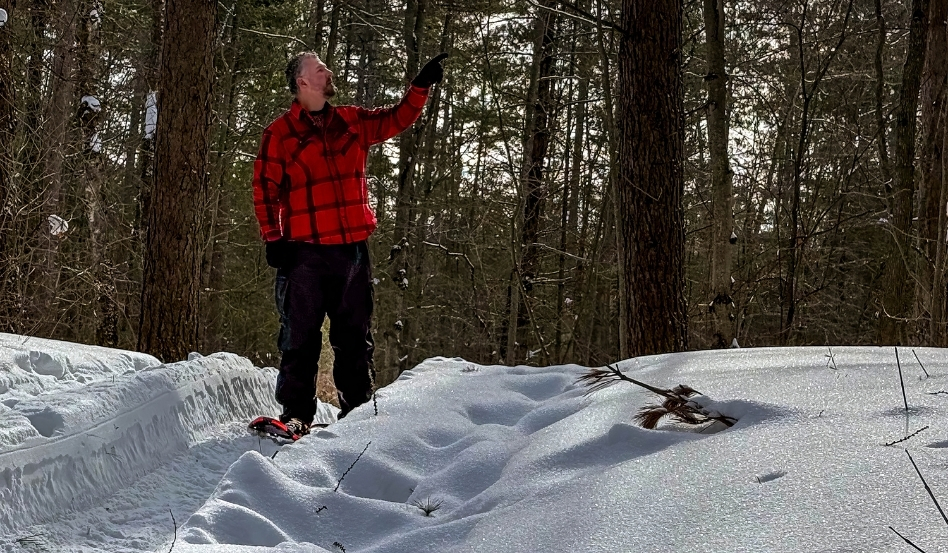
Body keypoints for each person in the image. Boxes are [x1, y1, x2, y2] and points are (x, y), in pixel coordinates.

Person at [252, 51, 448, 437]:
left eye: (326, 66)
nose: (328, 71)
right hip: (304, 254)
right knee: (300, 338)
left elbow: (396, 117)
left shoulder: (352, 121)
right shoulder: (280, 134)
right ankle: (296, 415)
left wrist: (419, 87)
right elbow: (264, 189)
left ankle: (357, 415)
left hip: (352, 253)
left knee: (355, 339)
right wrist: (273, 239)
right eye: (319, 68)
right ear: (302, 82)